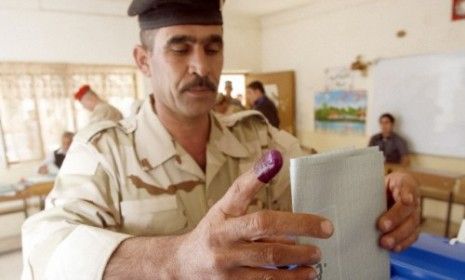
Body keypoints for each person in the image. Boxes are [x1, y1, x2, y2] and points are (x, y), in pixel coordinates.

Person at [22, 1, 420, 279]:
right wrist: (173, 260)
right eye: (180, 48)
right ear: (143, 60)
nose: (201, 66)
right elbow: (46, 250)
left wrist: (384, 194)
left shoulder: (258, 139)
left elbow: (329, 182)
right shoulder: (105, 152)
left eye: (213, 48)